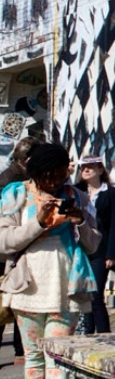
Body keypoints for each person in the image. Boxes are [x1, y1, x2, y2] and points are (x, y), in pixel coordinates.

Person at [0, 144, 100, 379]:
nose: (55, 183)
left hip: (65, 287)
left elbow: (94, 245)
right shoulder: (15, 195)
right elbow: (5, 242)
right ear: (36, 172)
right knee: (32, 357)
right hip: (26, 286)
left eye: (60, 176)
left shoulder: (76, 196)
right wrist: (39, 222)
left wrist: (80, 221)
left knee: (56, 357)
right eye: (48, 176)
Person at [0, 135, 40, 365]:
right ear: (26, 159)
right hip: (9, 247)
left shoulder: (17, 177)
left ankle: (20, 349)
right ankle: (20, 349)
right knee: (11, 300)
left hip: (13, 246)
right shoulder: (12, 182)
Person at [74, 155, 115, 334]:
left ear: (100, 170)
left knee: (95, 294)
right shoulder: (76, 191)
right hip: (80, 248)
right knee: (83, 294)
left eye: (90, 167)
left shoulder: (110, 193)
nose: (85, 170)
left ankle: (104, 333)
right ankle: (87, 331)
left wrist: (112, 254)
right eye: (83, 168)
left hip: (100, 251)